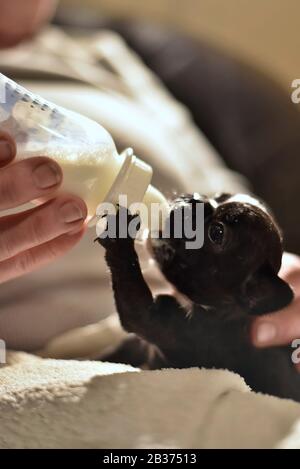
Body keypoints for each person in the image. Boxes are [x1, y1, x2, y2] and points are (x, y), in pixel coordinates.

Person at [0, 0, 299, 357]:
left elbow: (231, 204)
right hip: (99, 371)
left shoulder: (105, 55)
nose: (191, 208)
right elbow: (141, 317)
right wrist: (120, 246)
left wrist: (287, 284)